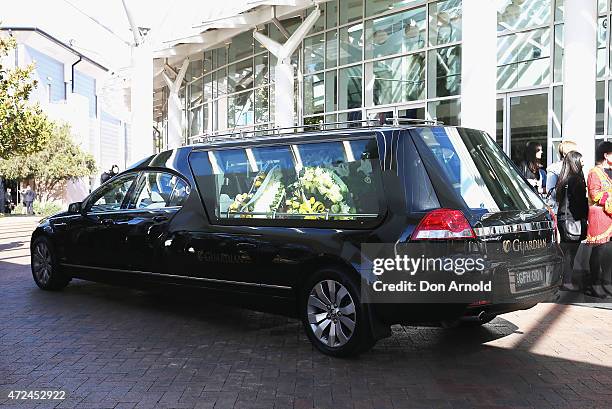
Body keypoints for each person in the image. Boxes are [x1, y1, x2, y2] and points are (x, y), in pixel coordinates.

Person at [555, 151, 588, 291]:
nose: (583, 163)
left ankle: (561, 280)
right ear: (575, 162)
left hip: (563, 218)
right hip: (572, 219)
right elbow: (580, 202)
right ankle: (567, 281)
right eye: (581, 161)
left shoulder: (563, 179)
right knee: (570, 253)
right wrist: (586, 215)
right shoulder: (576, 180)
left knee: (565, 251)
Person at [585, 141, 612, 298]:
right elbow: (595, 194)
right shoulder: (594, 172)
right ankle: (595, 284)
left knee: (607, 252)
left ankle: (604, 283)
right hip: (599, 215)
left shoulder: (607, 172)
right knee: (598, 251)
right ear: (606, 155)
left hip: (608, 216)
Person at [546, 140, 578, 211]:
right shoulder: (554, 169)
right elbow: (550, 192)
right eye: (574, 152)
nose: (576, 155)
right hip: (558, 210)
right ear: (564, 154)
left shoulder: (576, 168)